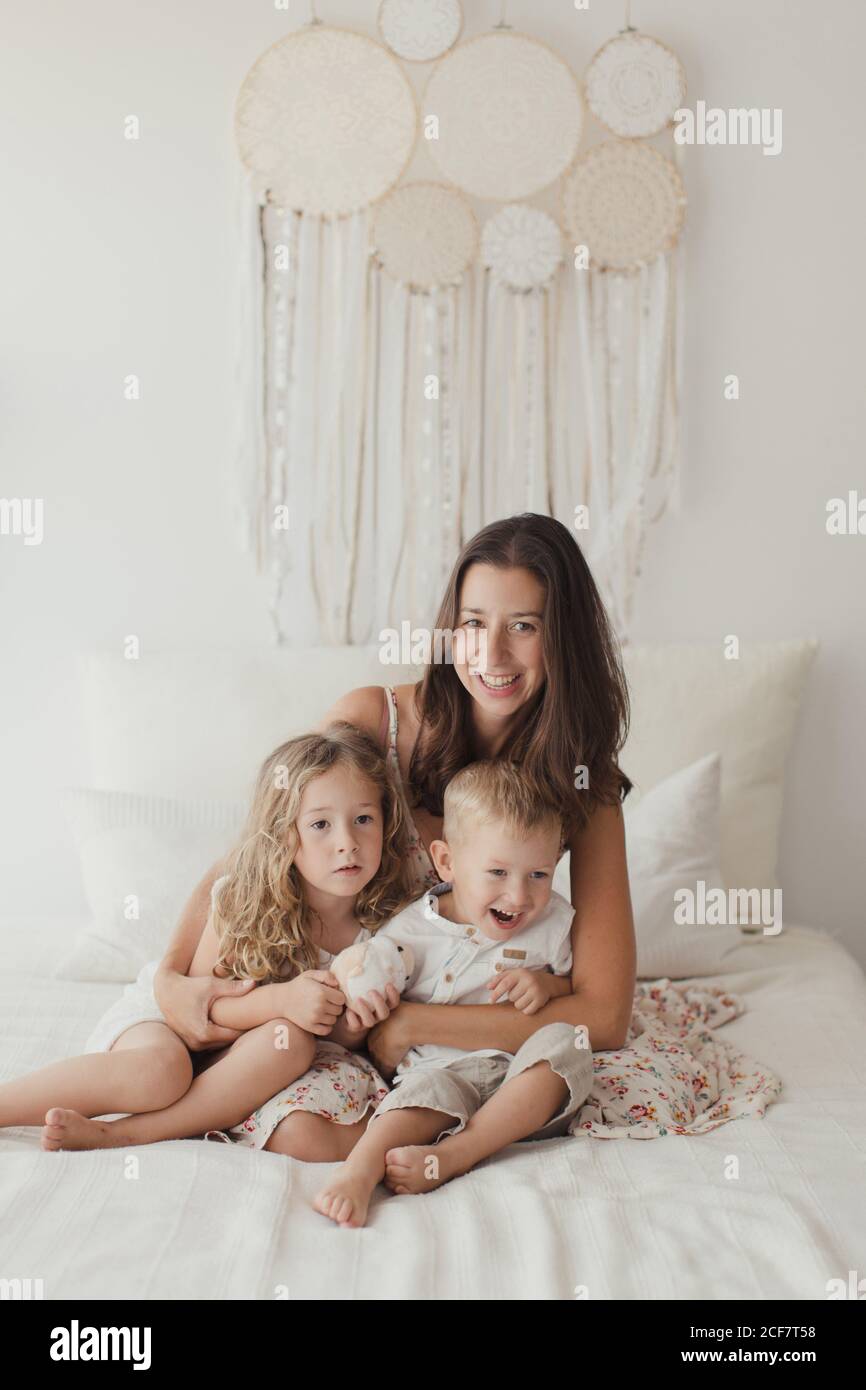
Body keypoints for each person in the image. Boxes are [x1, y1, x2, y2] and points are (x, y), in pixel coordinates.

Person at [152, 513, 636, 1162]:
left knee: (554, 1072)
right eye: (473, 624)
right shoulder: (371, 722)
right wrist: (168, 978)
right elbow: (258, 854)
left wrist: (415, 1025)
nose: (491, 656)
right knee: (296, 1129)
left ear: (565, 640)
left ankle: (442, 1138)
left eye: (523, 627)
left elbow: (604, 1016)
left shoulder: (584, 784)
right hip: (339, 1022)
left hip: (453, 1033)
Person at [0, 724, 416, 1152]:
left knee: (289, 1043)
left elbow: (335, 1039)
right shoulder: (247, 898)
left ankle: (120, 1135)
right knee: (161, 1073)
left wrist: (350, 1024)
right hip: (173, 1028)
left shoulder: (387, 926)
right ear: (284, 834)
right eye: (320, 825)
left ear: (386, 822)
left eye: (363, 819)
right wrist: (283, 1001)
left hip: (246, 1061)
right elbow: (201, 1012)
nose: (347, 843)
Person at [313, 760, 595, 1228]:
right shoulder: (412, 929)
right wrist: (366, 1002)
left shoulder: (552, 924)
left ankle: (458, 1154)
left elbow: (574, 986)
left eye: (539, 875)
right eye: (498, 872)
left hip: (517, 1078)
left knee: (569, 1044)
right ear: (447, 861)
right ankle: (359, 1172)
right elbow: (375, 977)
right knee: (418, 1096)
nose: (519, 896)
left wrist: (547, 985)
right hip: (439, 1072)